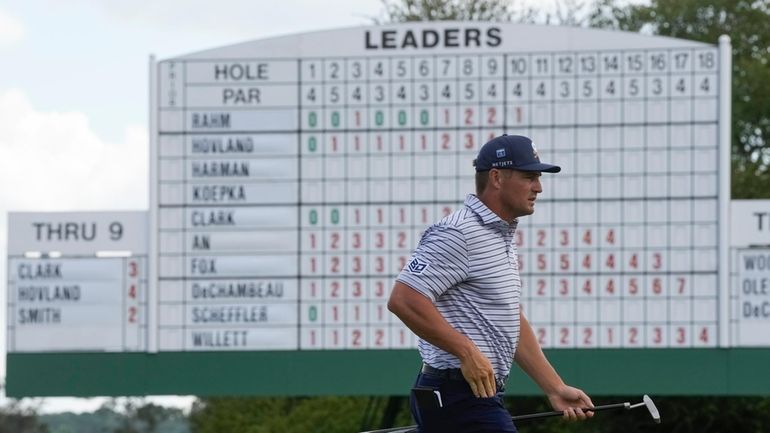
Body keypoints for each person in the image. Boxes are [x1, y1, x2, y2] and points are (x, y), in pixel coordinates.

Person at [388, 134, 594, 433]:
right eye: (529, 177)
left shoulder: (500, 236)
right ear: (496, 177)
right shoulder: (459, 232)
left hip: (473, 395)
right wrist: (467, 352)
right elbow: (404, 299)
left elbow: (507, 318)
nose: (538, 187)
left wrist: (554, 387)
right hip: (455, 395)